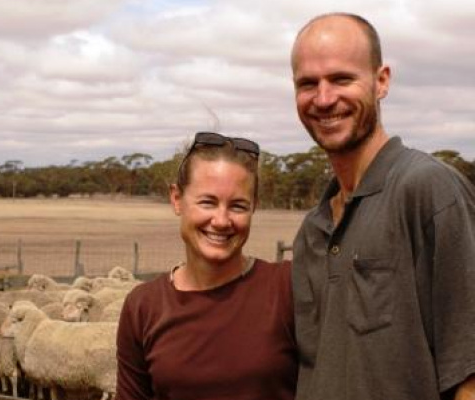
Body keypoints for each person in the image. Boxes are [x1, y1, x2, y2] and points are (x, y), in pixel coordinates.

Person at [290, 12, 475, 400]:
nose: (324, 99)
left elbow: (468, 374)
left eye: (342, 78)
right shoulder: (312, 230)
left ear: (381, 81)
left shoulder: (428, 190)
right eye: (308, 84)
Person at [115, 131, 298, 400]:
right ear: (177, 199)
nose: (222, 221)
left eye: (238, 206)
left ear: (254, 207)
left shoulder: (287, 288)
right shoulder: (143, 307)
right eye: (207, 202)